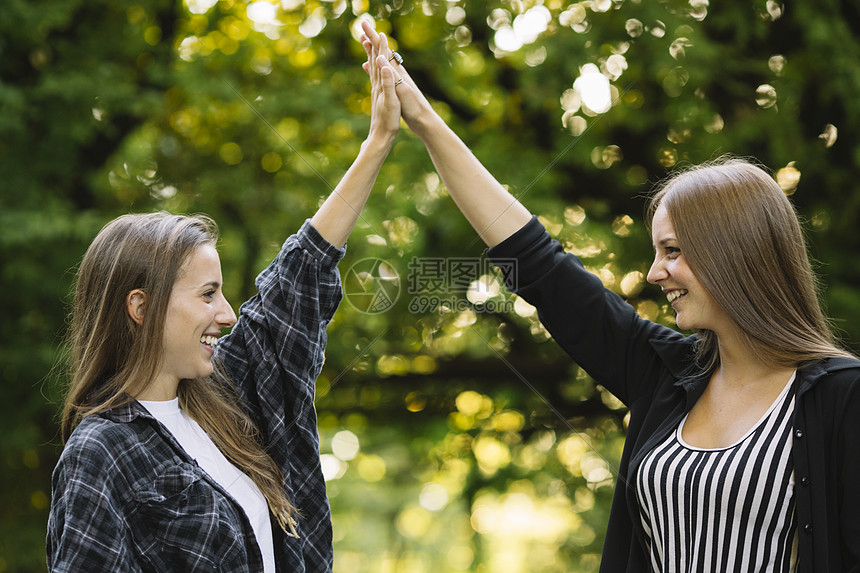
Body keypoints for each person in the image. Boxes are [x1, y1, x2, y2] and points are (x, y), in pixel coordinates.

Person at [360, 21, 860, 572]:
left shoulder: (840, 397)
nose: (653, 273)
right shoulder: (665, 375)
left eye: (671, 251)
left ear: (731, 251)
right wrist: (422, 118)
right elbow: (538, 264)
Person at [46, 43, 401, 572]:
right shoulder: (101, 453)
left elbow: (296, 281)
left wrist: (378, 142)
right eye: (207, 294)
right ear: (140, 306)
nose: (228, 313)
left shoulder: (223, 395)